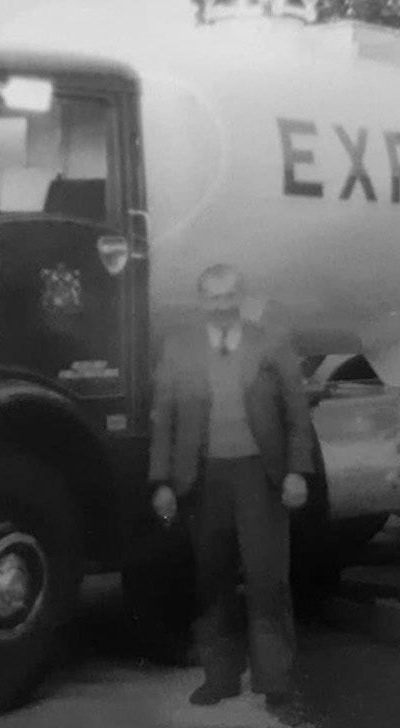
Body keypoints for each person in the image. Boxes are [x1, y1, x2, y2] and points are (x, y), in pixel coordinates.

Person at [147, 263, 314, 718]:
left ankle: (277, 686)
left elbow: (297, 412)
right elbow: (164, 417)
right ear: (201, 302)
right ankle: (219, 677)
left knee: (267, 580)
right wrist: (162, 480)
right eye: (213, 298)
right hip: (203, 481)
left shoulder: (270, 343)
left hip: (259, 476)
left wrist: (297, 471)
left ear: (241, 298)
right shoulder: (179, 347)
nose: (221, 306)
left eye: (229, 297)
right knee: (213, 581)